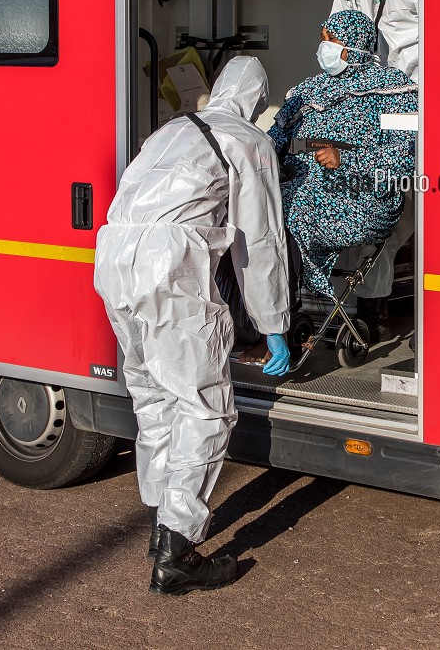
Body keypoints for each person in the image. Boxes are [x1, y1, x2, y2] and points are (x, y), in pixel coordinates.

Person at [93, 55, 291, 596]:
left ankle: (161, 528)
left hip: (114, 259)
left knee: (154, 399)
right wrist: (273, 323)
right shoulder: (248, 140)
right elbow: (261, 241)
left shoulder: (173, 130)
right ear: (255, 99)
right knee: (207, 406)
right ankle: (177, 553)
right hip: (168, 265)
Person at [265, 9, 417, 304]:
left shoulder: (396, 92)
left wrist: (347, 160)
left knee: (279, 218)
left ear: (354, 45)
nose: (324, 47)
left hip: (359, 197)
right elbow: (277, 138)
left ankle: (281, 310)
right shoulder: (308, 91)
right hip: (298, 189)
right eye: (322, 38)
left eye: (331, 39)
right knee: (251, 210)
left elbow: (407, 154)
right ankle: (270, 312)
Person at [328, 0, 419, 334]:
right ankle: (369, 305)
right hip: (367, 101)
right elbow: (336, 29)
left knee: (403, 202)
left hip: (410, 101)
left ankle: (382, 301)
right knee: (368, 201)